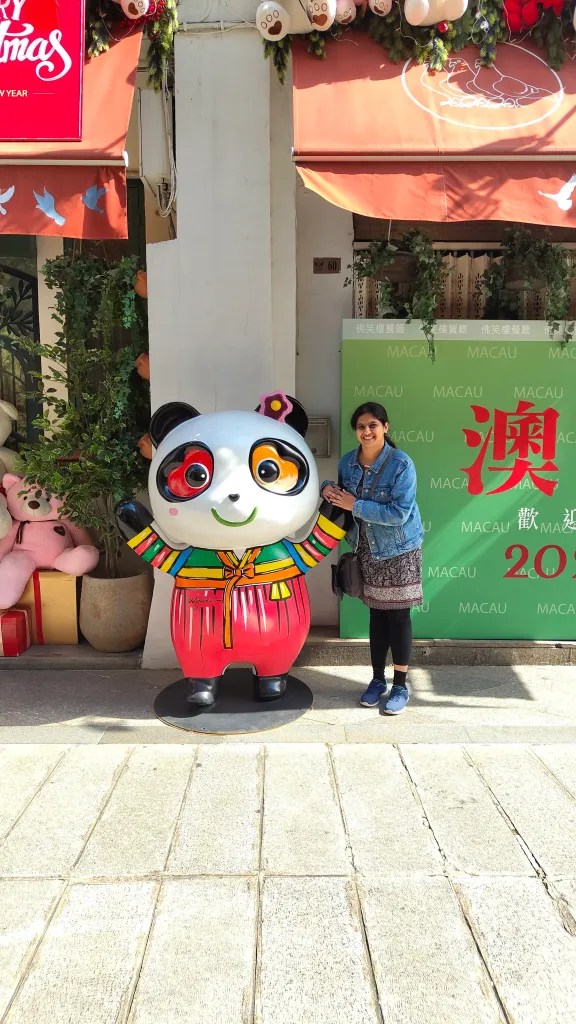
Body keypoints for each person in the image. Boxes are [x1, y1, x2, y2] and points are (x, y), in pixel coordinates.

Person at [322, 402, 424, 714]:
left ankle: (400, 686)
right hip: (366, 549)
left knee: (398, 617)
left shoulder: (401, 464)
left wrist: (355, 504)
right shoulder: (348, 462)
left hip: (399, 550)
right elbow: (341, 493)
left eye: (373, 425)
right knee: (377, 616)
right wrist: (328, 489)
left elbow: (398, 514)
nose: (367, 432)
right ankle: (377, 680)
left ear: (385, 428)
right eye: (361, 426)